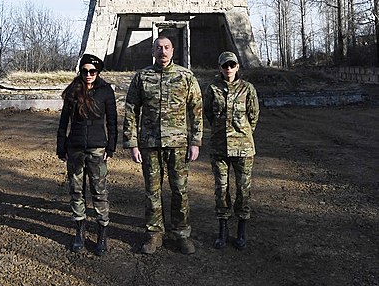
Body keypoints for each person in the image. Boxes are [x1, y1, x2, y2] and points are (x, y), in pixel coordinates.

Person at [123, 35, 203, 255]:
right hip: (149, 144)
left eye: (167, 47)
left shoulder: (185, 76)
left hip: (178, 144)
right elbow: (131, 109)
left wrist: (195, 142)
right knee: (152, 191)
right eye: (159, 48)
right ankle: (154, 234)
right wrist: (132, 143)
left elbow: (196, 110)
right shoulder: (142, 77)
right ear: (153, 50)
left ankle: (181, 233)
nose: (163, 51)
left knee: (180, 190)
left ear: (173, 50)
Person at [56, 53, 117, 255]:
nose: (88, 74)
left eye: (92, 71)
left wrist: (111, 147)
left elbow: (112, 122)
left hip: (97, 147)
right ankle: (80, 231)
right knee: (76, 190)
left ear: (98, 72)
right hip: (75, 147)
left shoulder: (106, 91)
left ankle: (102, 232)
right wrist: (61, 145)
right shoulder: (73, 91)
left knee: (99, 191)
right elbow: (64, 122)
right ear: (80, 71)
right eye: (85, 71)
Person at [204, 51, 259, 250]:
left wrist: (243, 134)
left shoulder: (248, 89)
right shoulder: (212, 88)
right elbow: (208, 112)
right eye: (225, 65)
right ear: (219, 68)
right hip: (219, 148)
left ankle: (241, 231)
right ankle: (223, 229)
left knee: (243, 191)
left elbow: (253, 116)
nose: (228, 69)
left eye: (232, 65)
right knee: (221, 189)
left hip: (243, 148)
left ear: (237, 67)